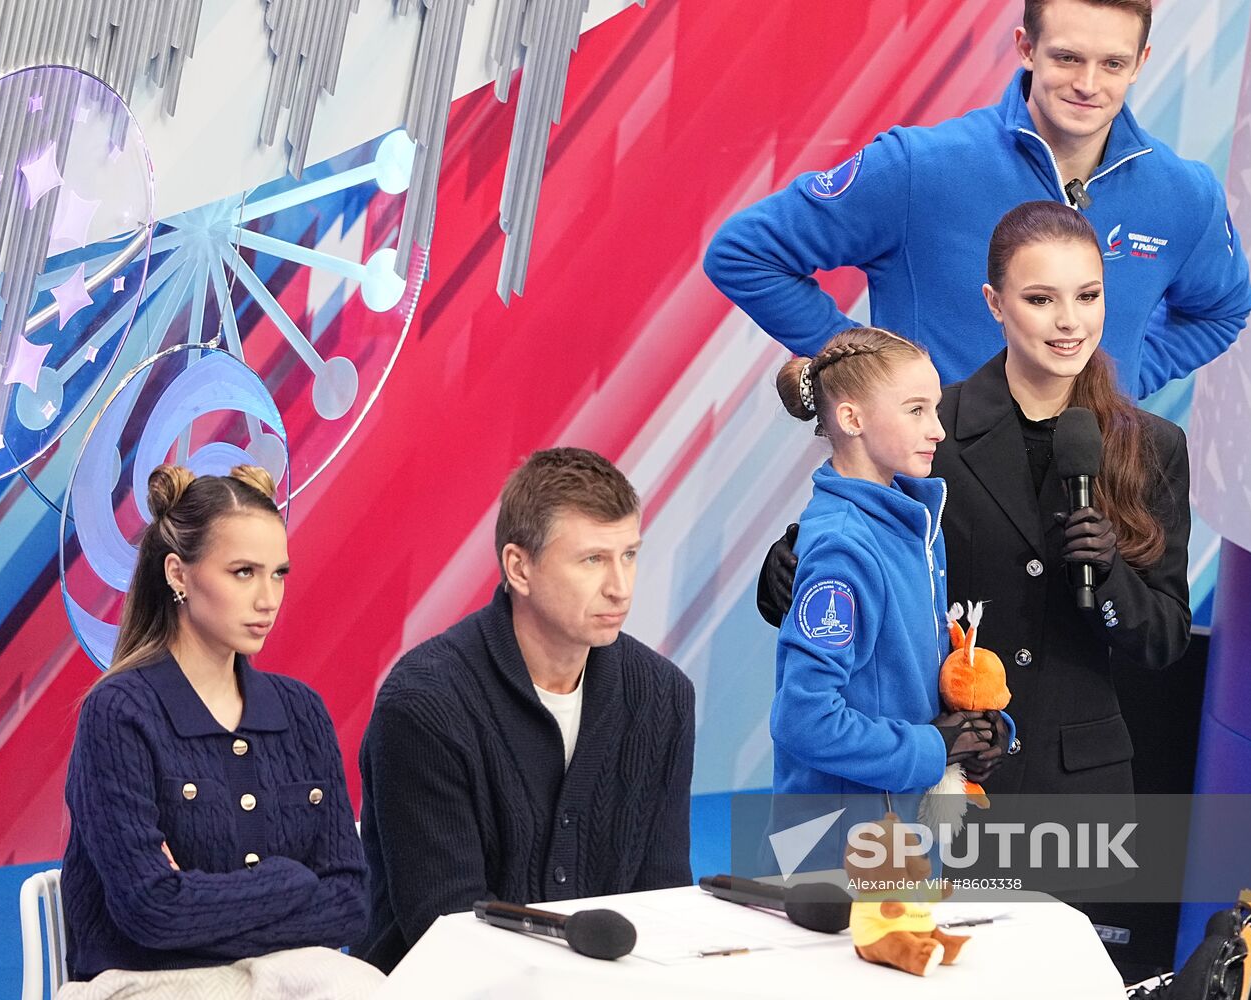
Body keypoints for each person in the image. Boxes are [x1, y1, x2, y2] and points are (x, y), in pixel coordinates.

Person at [759, 201, 1192, 797]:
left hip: (1082, 788)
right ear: (995, 303)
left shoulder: (1153, 446)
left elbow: (1163, 640)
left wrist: (1110, 574)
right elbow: (858, 564)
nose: (1069, 321)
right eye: (1041, 299)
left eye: (1087, 296)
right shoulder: (930, 431)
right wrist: (785, 562)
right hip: (948, 774)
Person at [703, 0, 1251, 399]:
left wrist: (1121, 381)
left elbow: (1221, 312)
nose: (1088, 84)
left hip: (1086, 510)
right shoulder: (921, 165)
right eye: (1066, 58)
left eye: (1111, 63)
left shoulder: (1185, 194)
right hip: (932, 503)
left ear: (1140, 62)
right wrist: (872, 371)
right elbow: (744, 253)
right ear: (1025, 48)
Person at [356, 447, 695, 973]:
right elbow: (444, 928)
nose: (620, 586)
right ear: (519, 567)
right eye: (592, 560)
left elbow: (662, 900)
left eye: (629, 554)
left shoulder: (663, 695)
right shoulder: (425, 704)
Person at [60, 465, 375, 992]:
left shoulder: (302, 711)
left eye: (279, 573)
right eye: (243, 572)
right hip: (149, 984)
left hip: (287, 978)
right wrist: (290, 880)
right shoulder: (119, 713)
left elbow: (349, 904)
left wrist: (198, 903)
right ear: (178, 574)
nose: (268, 599)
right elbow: (149, 911)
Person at [769, 328, 1008, 799]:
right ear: (852, 418)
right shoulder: (843, 547)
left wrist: (979, 732)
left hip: (903, 832)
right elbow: (804, 719)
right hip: (839, 847)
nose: (938, 428)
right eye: (916, 409)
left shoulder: (914, 525)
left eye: (935, 408)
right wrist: (932, 746)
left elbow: (911, 678)